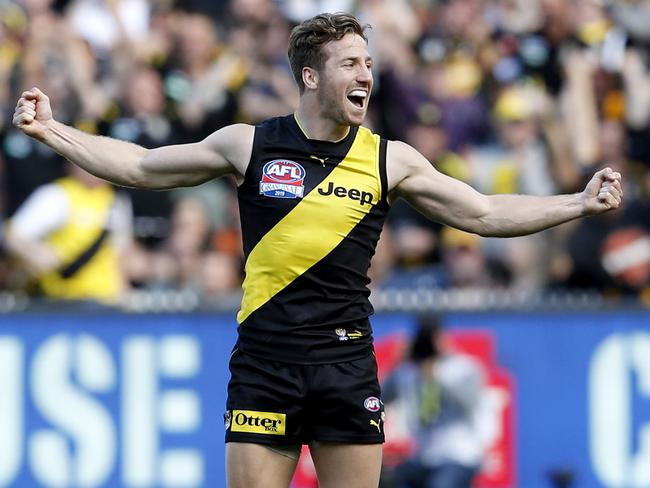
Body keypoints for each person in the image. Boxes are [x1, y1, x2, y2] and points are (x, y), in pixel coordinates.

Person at [11, 12, 623, 488]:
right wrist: (51, 129)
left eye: (368, 63)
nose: (366, 76)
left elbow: (485, 212)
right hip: (264, 364)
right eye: (351, 64)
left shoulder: (390, 158)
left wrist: (576, 203)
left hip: (346, 366)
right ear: (312, 75)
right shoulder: (248, 144)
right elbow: (142, 166)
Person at [382, 316, 493, 488]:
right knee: (383, 478)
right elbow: (380, 398)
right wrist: (398, 363)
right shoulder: (409, 371)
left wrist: (436, 373)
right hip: (423, 456)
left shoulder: (464, 367)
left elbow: (469, 402)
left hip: (459, 455)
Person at [3, 163, 132, 304]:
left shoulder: (116, 201)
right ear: (71, 165)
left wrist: (124, 295)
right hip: (61, 300)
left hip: (105, 299)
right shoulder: (56, 195)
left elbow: (120, 255)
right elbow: (11, 236)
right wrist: (35, 253)